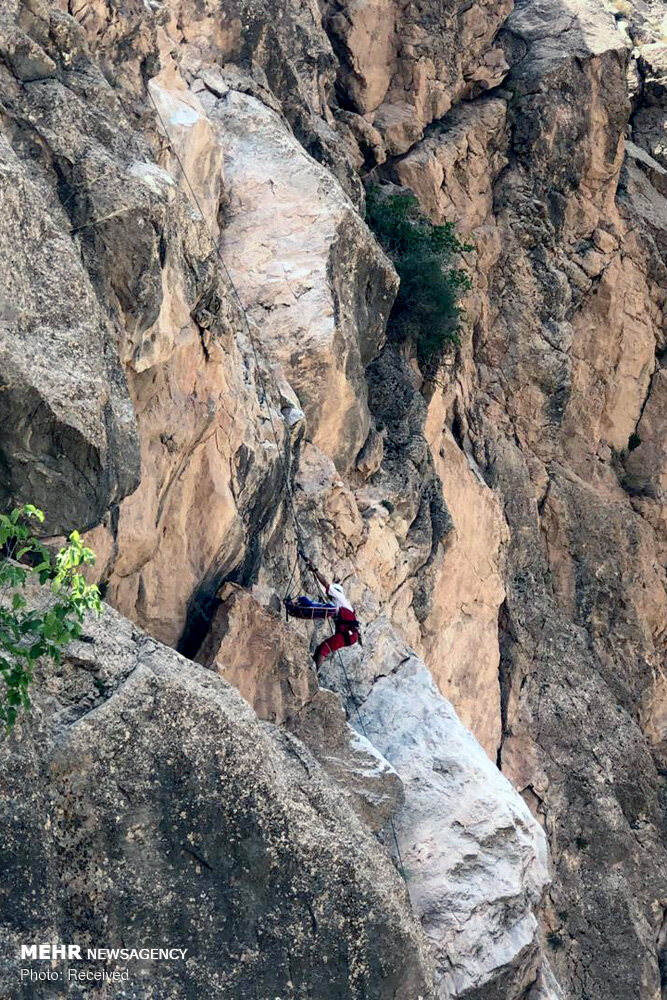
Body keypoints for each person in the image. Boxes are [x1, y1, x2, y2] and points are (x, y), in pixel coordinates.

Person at [284, 554, 360, 668]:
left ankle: (314, 672)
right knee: (322, 648)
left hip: (348, 634)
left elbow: (324, 583)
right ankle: (312, 668)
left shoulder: (338, 595)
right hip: (348, 634)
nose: (328, 595)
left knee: (324, 648)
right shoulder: (340, 604)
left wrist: (314, 569)